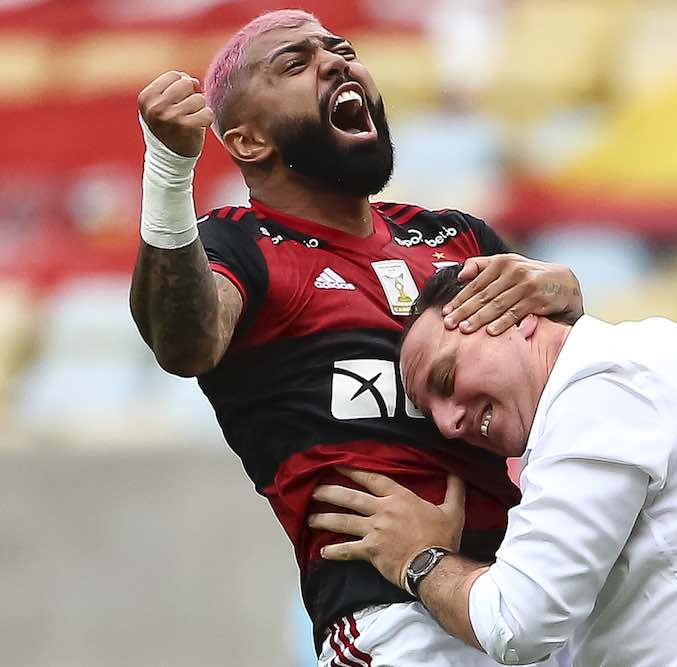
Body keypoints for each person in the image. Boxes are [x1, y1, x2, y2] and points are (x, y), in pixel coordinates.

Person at [129, 9, 583, 667]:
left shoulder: (456, 237)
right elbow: (185, 343)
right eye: (295, 62)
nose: (338, 61)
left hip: (532, 602)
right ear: (250, 141)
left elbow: (567, 395)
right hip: (395, 623)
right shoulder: (241, 244)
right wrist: (169, 172)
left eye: (341, 49)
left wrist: (568, 301)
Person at [310, 265, 677, 667]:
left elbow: (518, 622)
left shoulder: (600, 390)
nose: (451, 422)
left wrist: (420, 559)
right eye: (432, 414)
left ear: (514, 318)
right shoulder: (648, 359)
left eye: (447, 380)